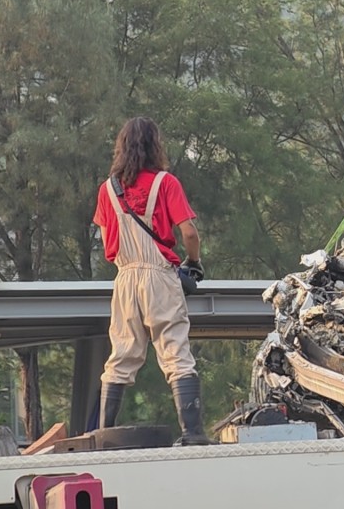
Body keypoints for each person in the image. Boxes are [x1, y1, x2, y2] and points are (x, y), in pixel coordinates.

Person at [92, 116, 212, 446]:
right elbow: (188, 232)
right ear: (155, 145)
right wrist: (194, 262)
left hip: (125, 277)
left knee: (121, 355)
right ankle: (192, 433)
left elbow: (107, 245)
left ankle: (104, 435)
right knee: (175, 351)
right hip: (159, 274)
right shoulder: (166, 183)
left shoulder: (107, 190)